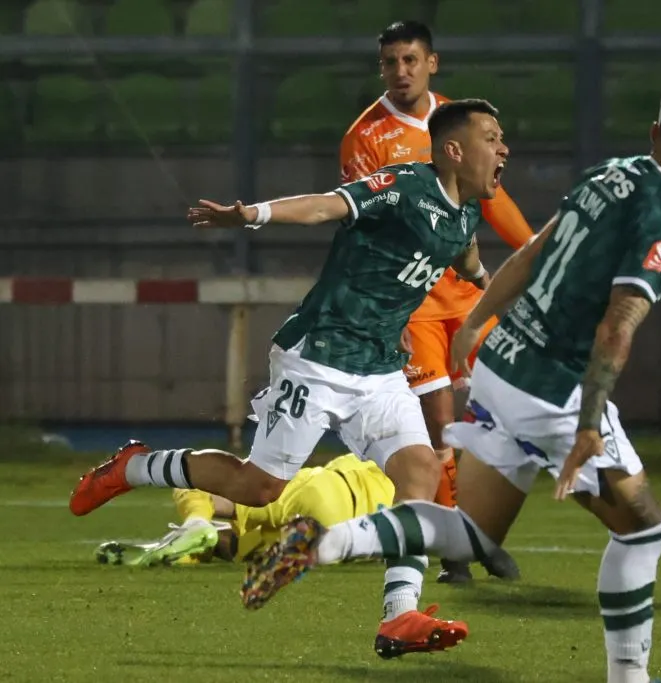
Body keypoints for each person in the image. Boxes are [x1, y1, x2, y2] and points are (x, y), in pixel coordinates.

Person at [240, 81, 661, 683]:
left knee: (472, 534)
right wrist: (588, 425)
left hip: (504, 362)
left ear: (654, 134)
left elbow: (531, 253)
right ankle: (630, 678)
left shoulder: (610, 175)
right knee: (646, 528)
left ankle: (323, 543)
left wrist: (475, 326)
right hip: (556, 389)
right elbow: (617, 327)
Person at [69, 98, 516, 658]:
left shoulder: (466, 212)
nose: (504, 148)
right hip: (318, 357)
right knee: (258, 488)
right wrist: (250, 215)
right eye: (492, 138)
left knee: (421, 471)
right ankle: (134, 467)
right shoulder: (405, 186)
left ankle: (399, 616)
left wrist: (486, 284)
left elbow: (464, 253)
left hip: (379, 370)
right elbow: (325, 206)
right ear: (454, 150)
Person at [341, 20, 535, 584]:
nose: (400, 72)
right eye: (390, 62)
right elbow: (366, 226)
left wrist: (534, 252)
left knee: (502, 411)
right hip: (415, 300)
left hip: (468, 295)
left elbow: (493, 197)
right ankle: (456, 553)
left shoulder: (459, 119)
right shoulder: (366, 137)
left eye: (410, 60)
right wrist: (388, 307)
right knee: (440, 422)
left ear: (432, 63)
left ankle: (476, 530)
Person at [94, 453, 394, 567]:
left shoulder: (396, 450)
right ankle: (186, 553)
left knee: (198, 487)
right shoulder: (417, 483)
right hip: (346, 542)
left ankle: (196, 523)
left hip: (330, 490)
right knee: (243, 546)